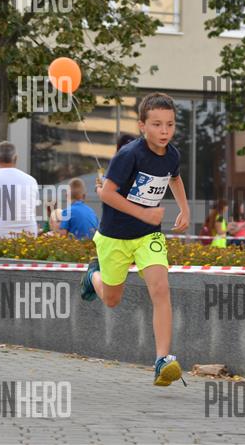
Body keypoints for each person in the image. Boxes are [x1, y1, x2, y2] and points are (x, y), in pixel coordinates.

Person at [79, 92, 190, 387]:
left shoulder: (173, 155)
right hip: (114, 237)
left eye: (170, 124)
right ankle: (93, 277)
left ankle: (162, 360)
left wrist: (185, 208)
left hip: (148, 236)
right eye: (157, 124)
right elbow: (106, 193)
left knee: (161, 288)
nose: (164, 131)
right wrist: (143, 212)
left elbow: (175, 178)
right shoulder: (129, 155)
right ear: (142, 126)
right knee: (112, 299)